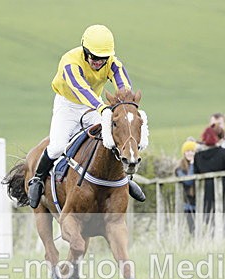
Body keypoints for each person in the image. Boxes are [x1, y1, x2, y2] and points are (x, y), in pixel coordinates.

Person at [27, 24, 144, 208]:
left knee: (110, 140)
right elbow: (82, 90)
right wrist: (102, 108)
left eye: (103, 58)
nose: (98, 62)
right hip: (68, 105)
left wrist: (126, 107)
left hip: (94, 105)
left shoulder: (113, 63)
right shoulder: (70, 63)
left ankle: (124, 180)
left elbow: (124, 88)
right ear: (85, 51)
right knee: (57, 146)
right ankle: (38, 179)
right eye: (94, 57)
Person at [193, 126, 225, 234]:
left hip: (204, 195)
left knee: (209, 225)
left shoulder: (198, 156)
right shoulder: (224, 153)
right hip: (224, 194)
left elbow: (195, 173)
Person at [176, 140, 197, 235]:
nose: (190, 153)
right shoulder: (179, 168)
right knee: (192, 229)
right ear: (184, 153)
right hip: (188, 204)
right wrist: (192, 164)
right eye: (187, 151)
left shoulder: (199, 164)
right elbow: (188, 181)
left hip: (199, 202)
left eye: (192, 151)